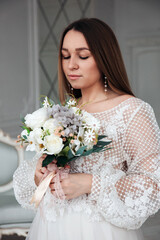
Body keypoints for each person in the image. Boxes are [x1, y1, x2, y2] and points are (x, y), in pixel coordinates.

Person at [13, 18, 160, 240]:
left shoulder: (132, 111)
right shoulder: (64, 113)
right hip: (51, 227)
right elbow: (35, 177)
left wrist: (92, 183)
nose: (71, 64)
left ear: (104, 58)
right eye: (65, 56)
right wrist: (40, 173)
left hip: (100, 231)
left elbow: (152, 186)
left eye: (83, 56)